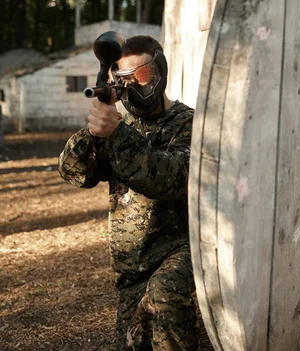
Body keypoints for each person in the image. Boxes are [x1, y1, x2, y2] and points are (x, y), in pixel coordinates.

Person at [58, 35, 199, 351]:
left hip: (181, 248)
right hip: (132, 268)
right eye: (124, 80)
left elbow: (173, 178)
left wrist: (117, 133)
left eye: (142, 75)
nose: (134, 86)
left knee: (167, 293)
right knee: (133, 342)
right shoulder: (119, 125)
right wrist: (94, 136)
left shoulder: (188, 123)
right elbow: (74, 173)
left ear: (158, 70)